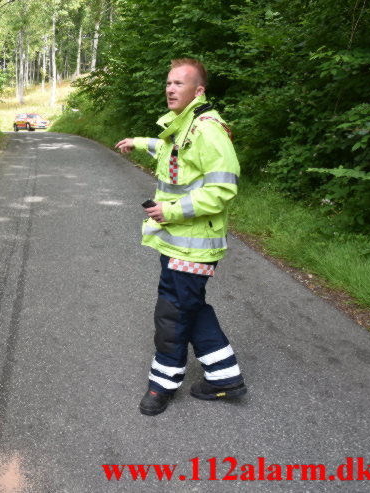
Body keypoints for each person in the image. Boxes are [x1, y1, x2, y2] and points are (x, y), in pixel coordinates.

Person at [115, 58, 247, 416]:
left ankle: (162, 385)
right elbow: (173, 156)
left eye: (179, 84)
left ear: (198, 91)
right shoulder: (184, 126)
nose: (171, 89)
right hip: (177, 240)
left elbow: (222, 189)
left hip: (194, 244)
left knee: (172, 311)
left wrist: (170, 211)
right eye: (169, 82)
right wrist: (140, 141)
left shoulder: (208, 129)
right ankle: (224, 377)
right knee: (189, 305)